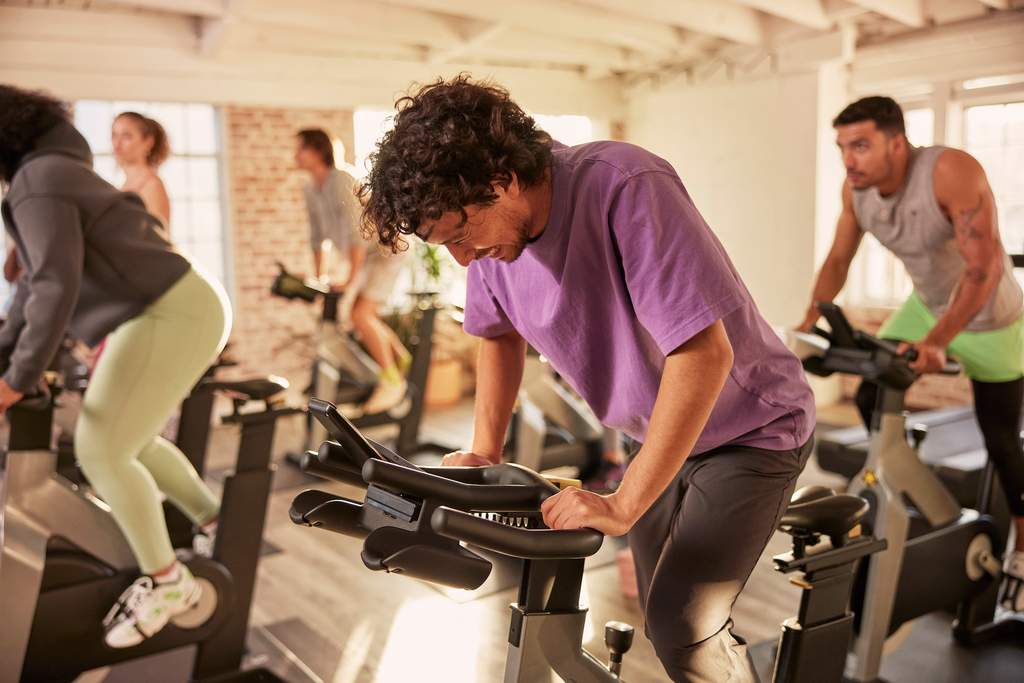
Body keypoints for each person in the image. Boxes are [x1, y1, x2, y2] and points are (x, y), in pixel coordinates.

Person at [357, 75, 816, 682]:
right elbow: (497, 336)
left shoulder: (624, 185)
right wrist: (484, 452)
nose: (462, 258)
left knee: (681, 623)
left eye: (462, 235)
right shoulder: (491, 240)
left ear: (503, 179)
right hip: (653, 433)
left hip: (750, 428)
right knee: (661, 611)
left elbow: (704, 355)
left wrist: (622, 503)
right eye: (445, 246)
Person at [0, 84, 226, 648]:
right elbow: (31, 291)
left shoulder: (37, 181)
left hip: (168, 310)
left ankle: (170, 584)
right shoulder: (51, 173)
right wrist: (6, 359)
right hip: (174, 305)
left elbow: (53, 287)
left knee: (101, 449)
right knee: (132, 441)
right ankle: (216, 522)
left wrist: (15, 380)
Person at [799, 95, 1024, 613]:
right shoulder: (857, 191)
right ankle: (912, 484)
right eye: (842, 147)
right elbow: (838, 259)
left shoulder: (950, 172)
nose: (849, 159)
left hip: (992, 314)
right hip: (926, 307)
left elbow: (984, 268)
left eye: (861, 145)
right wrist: (809, 321)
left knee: (1001, 438)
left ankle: (1022, 551)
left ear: (897, 143)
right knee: (871, 393)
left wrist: (938, 342)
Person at [295, 128, 411, 415]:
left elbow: (356, 234)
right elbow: (317, 238)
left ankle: (392, 383)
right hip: (368, 254)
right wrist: (319, 279)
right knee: (359, 314)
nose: (295, 155)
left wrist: (349, 279)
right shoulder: (310, 188)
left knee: (360, 315)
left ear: (317, 150)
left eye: (300, 148)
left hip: (387, 249)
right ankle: (400, 359)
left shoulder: (341, 180)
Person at [112, 112, 171, 230]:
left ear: (148, 142)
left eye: (126, 136)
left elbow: (158, 238)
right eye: (114, 135)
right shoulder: (125, 186)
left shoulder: (152, 185)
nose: (117, 144)